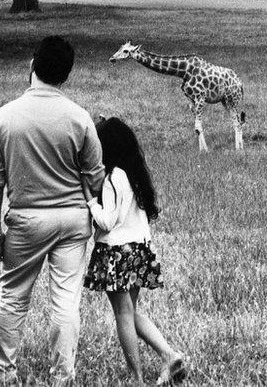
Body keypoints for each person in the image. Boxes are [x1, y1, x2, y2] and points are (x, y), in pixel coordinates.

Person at [0, 35, 106, 384]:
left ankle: (3, 371)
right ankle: (63, 374)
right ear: (65, 76)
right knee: (66, 302)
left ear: (32, 64)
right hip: (72, 219)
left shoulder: (5, 117)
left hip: (26, 219)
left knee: (13, 296)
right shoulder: (79, 118)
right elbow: (96, 178)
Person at [82, 117, 187, 385]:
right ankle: (169, 355)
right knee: (130, 312)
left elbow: (106, 221)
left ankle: (136, 378)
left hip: (116, 251)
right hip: (139, 249)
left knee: (122, 315)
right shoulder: (134, 174)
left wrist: (90, 200)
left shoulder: (113, 177)